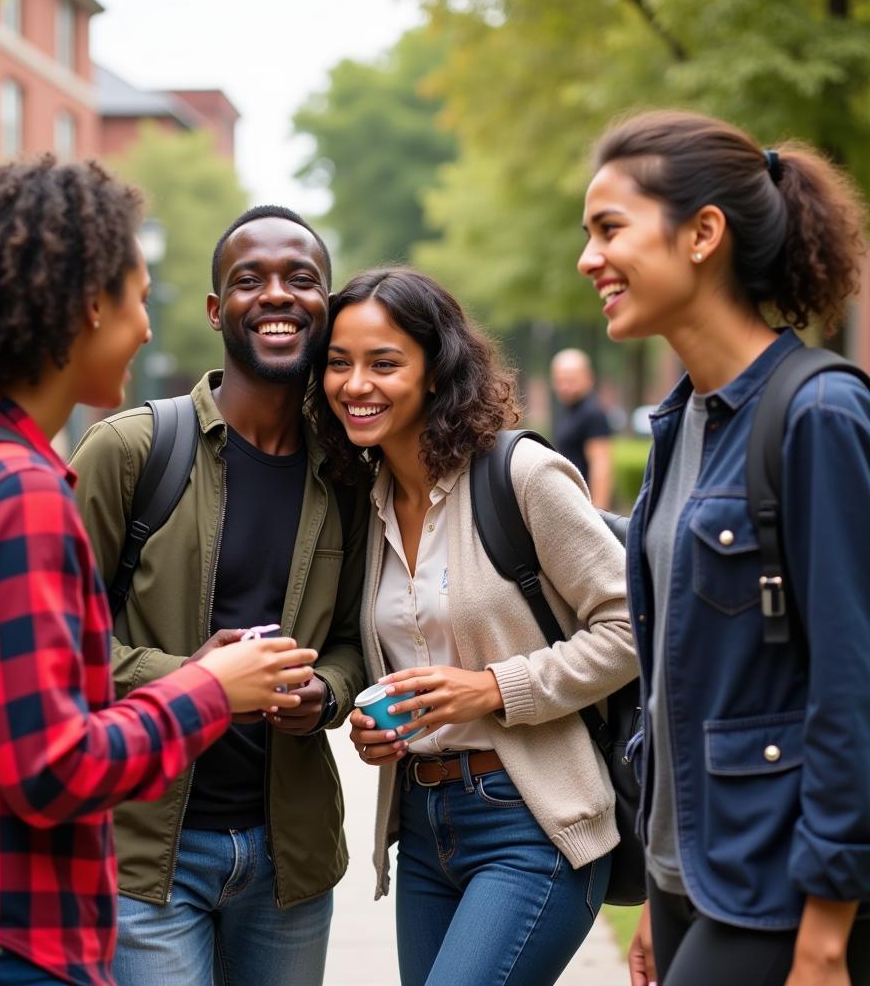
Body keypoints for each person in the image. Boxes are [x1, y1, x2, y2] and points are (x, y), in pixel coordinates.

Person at [0, 158, 318, 986]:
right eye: (139, 298)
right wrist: (212, 688)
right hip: (1, 937)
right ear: (90, 305)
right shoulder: (15, 494)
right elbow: (54, 771)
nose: (145, 327)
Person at [577, 110, 870, 986]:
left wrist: (826, 930)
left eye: (610, 229)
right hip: (697, 874)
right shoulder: (683, 425)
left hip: (785, 885)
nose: (590, 259)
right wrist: (665, 892)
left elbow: (853, 686)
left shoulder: (819, 414)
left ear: (704, 233)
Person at [310, 267, 637, 986]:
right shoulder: (362, 505)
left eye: (384, 362)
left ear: (436, 371)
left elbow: (632, 627)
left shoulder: (520, 475)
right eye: (339, 363)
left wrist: (494, 687)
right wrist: (378, 729)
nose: (355, 383)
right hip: (423, 833)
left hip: (534, 821)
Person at [68, 205, 368, 985]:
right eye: (249, 280)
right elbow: (57, 648)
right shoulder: (133, 449)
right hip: (145, 863)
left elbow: (355, 638)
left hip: (289, 861)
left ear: (326, 308)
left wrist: (325, 695)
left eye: (301, 280)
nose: (276, 294)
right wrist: (195, 681)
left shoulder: (348, 474)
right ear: (214, 310)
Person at [549, 347, 614, 508]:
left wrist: (599, 514)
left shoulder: (592, 413)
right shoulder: (568, 410)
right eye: (560, 381)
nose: (564, 386)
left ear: (588, 378)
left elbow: (601, 466)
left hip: (585, 506)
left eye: (570, 380)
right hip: (571, 503)